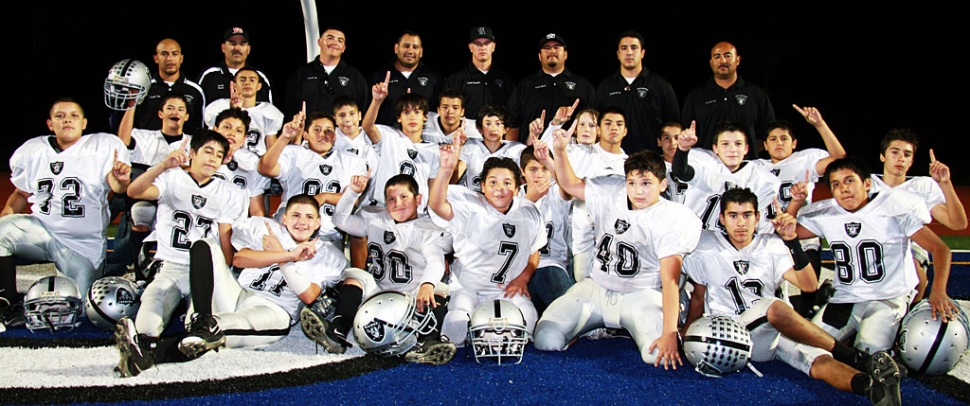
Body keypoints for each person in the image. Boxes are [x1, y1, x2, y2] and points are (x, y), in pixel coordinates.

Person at [683, 188, 902, 406]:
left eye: (747, 215)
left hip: (771, 330)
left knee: (817, 359)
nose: (741, 223)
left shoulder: (771, 245)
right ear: (721, 218)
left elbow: (808, 285)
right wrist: (687, 333)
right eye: (733, 216)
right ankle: (855, 357)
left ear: (757, 217)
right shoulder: (706, 246)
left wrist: (792, 240)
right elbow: (698, 298)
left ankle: (870, 388)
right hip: (732, 335)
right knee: (774, 306)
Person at [114, 195, 347, 377]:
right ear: (284, 218)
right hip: (238, 293)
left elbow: (308, 295)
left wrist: (285, 258)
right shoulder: (267, 229)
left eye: (308, 217)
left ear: (318, 222)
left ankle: (149, 351)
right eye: (295, 215)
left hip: (274, 310)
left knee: (221, 327)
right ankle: (202, 318)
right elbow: (239, 259)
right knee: (203, 244)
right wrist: (284, 253)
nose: (302, 222)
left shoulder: (327, 252)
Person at [533, 127, 700, 368]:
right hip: (597, 288)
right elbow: (569, 184)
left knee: (656, 356)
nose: (638, 190)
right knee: (546, 339)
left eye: (646, 183)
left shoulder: (672, 217)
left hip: (642, 294)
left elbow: (670, 281)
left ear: (663, 185)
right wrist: (559, 151)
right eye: (632, 182)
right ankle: (580, 328)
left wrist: (670, 332)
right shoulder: (610, 192)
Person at [794, 157, 959, 353]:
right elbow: (788, 233)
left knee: (870, 353)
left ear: (867, 184)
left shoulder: (893, 207)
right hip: (845, 299)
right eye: (836, 184)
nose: (843, 189)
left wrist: (938, 290)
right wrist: (796, 203)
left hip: (887, 299)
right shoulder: (827, 213)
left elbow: (940, 249)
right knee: (805, 349)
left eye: (849, 181)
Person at [0, 99, 131, 328]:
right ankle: (7, 304)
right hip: (42, 232)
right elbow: (21, 193)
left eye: (73, 116)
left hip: (82, 245)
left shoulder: (101, 147)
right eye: (60, 116)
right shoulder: (34, 151)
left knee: (78, 310)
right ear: (50, 124)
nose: (67, 119)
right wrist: (6, 218)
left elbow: (117, 187)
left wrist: (121, 180)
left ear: (84, 123)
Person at [126, 131, 248, 348]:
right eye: (208, 151)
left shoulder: (230, 192)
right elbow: (134, 191)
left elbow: (224, 236)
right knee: (146, 325)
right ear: (192, 153)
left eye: (219, 155)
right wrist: (163, 166)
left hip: (204, 272)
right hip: (170, 265)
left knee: (197, 331)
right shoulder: (172, 177)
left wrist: (226, 274)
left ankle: (168, 347)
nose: (212, 158)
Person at [332, 173, 456, 365]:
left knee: (439, 288)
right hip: (380, 294)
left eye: (404, 197)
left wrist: (427, 285)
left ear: (418, 199)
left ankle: (430, 340)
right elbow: (339, 220)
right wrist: (351, 193)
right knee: (355, 276)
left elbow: (436, 261)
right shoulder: (375, 218)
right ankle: (338, 328)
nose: (397, 203)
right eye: (391, 199)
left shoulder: (427, 228)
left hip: (414, 297)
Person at [430, 146, 546, 346]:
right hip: (469, 287)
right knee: (456, 325)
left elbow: (534, 251)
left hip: (506, 289)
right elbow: (437, 205)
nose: (500, 188)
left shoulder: (528, 212)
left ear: (518, 188)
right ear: (482, 186)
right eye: (493, 182)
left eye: (507, 183)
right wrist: (446, 171)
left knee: (529, 319)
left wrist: (523, 278)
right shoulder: (470, 206)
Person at [755, 105, 846, 314]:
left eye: (784, 138)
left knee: (807, 289)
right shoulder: (756, 167)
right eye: (773, 139)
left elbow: (839, 159)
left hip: (801, 233)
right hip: (767, 235)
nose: (779, 143)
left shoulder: (805, 160)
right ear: (765, 146)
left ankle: (811, 304)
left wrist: (820, 125)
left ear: (794, 143)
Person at [868, 128, 967, 303]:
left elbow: (957, 224)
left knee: (916, 273)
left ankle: (909, 313)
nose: (900, 158)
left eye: (907, 154)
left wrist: (945, 183)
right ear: (883, 156)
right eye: (895, 152)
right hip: (871, 244)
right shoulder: (867, 184)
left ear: (912, 160)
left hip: (910, 244)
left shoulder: (922, 186)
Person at [258, 109, 367, 246]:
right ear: (305, 135)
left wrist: (324, 197)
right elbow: (265, 168)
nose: (323, 134)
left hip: (328, 236)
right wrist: (284, 138)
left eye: (329, 130)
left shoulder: (350, 160)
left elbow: (353, 199)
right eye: (317, 129)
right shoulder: (293, 153)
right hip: (290, 233)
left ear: (335, 137)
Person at [671, 120, 779, 233]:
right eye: (725, 144)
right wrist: (683, 150)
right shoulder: (705, 163)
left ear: (746, 149)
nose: (732, 149)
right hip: (696, 240)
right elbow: (682, 172)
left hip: (732, 244)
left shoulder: (760, 178)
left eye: (738, 144)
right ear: (715, 148)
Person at [361, 72, 442, 212]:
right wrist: (377, 101)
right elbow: (367, 126)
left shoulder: (434, 150)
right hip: (385, 209)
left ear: (425, 117)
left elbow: (433, 188)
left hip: (416, 214)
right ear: (398, 118)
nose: (412, 117)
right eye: (406, 113)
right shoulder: (389, 136)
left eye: (417, 112)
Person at [681, 41, 774, 159]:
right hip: (707, 168)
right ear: (711, 62)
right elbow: (686, 131)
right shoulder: (697, 95)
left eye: (727, 56)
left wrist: (750, 150)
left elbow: (769, 132)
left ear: (738, 60)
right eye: (717, 56)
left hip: (746, 166)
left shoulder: (756, 94)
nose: (723, 61)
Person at [594, 31, 678, 154]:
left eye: (634, 48)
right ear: (618, 54)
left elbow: (672, 123)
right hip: (612, 158)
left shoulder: (660, 85)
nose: (629, 52)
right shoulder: (605, 87)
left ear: (642, 53)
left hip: (651, 157)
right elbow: (597, 124)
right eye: (624, 48)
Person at [507, 33, 595, 142]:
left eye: (557, 47)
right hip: (532, 152)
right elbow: (513, 124)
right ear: (539, 56)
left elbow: (594, 123)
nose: (552, 51)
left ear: (566, 54)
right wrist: (511, 153)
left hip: (571, 154)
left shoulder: (583, 85)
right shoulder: (525, 85)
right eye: (547, 48)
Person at [518, 146, 573, 315]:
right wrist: (529, 201)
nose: (540, 175)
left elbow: (567, 184)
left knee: (569, 314)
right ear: (522, 172)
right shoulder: (513, 195)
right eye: (533, 169)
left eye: (545, 169)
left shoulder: (558, 193)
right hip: (518, 269)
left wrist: (551, 161)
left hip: (552, 264)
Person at [285, 28, 369, 120]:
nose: (335, 43)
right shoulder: (301, 74)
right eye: (330, 38)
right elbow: (290, 108)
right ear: (319, 42)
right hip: (307, 132)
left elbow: (364, 111)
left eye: (340, 40)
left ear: (344, 48)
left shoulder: (355, 76)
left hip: (342, 133)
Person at [204, 67, 284, 156]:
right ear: (234, 85)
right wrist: (233, 109)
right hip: (225, 163)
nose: (247, 83)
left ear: (259, 86)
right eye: (242, 80)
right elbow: (210, 143)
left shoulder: (268, 113)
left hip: (256, 164)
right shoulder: (218, 108)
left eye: (252, 80)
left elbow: (272, 150)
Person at [369, 32, 442, 126]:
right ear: (396, 48)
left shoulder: (434, 79)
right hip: (387, 137)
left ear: (421, 52)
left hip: (423, 138)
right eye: (406, 46)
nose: (410, 51)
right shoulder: (379, 77)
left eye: (415, 47)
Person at [444, 26, 515, 121]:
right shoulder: (457, 79)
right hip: (464, 134)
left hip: (496, 134)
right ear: (470, 47)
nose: (483, 47)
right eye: (477, 43)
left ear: (493, 47)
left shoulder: (505, 79)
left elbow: (513, 115)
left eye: (487, 43)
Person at [136, 39, 205, 135]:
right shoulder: (145, 88)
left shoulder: (195, 90)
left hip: (183, 148)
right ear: (156, 58)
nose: (169, 59)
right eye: (164, 54)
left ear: (181, 58)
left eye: (175, 54)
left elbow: (200, 127)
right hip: (147, 148)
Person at [197, 27, 274, 106]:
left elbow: (270, 111)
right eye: (232, 43)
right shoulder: (208, 76)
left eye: (242, 44)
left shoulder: (259, 77)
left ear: (248, 49)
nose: (237, 48)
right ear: (223, 48)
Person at [457, 106, 525, 192]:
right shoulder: (471, 146)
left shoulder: (517, 150)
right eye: (488, 124)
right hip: (473, 202)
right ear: (480, 129)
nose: (493, 129)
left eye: (498, 124)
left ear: (506, 129)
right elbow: (453, 179)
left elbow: (526, 184)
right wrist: (457, 148)